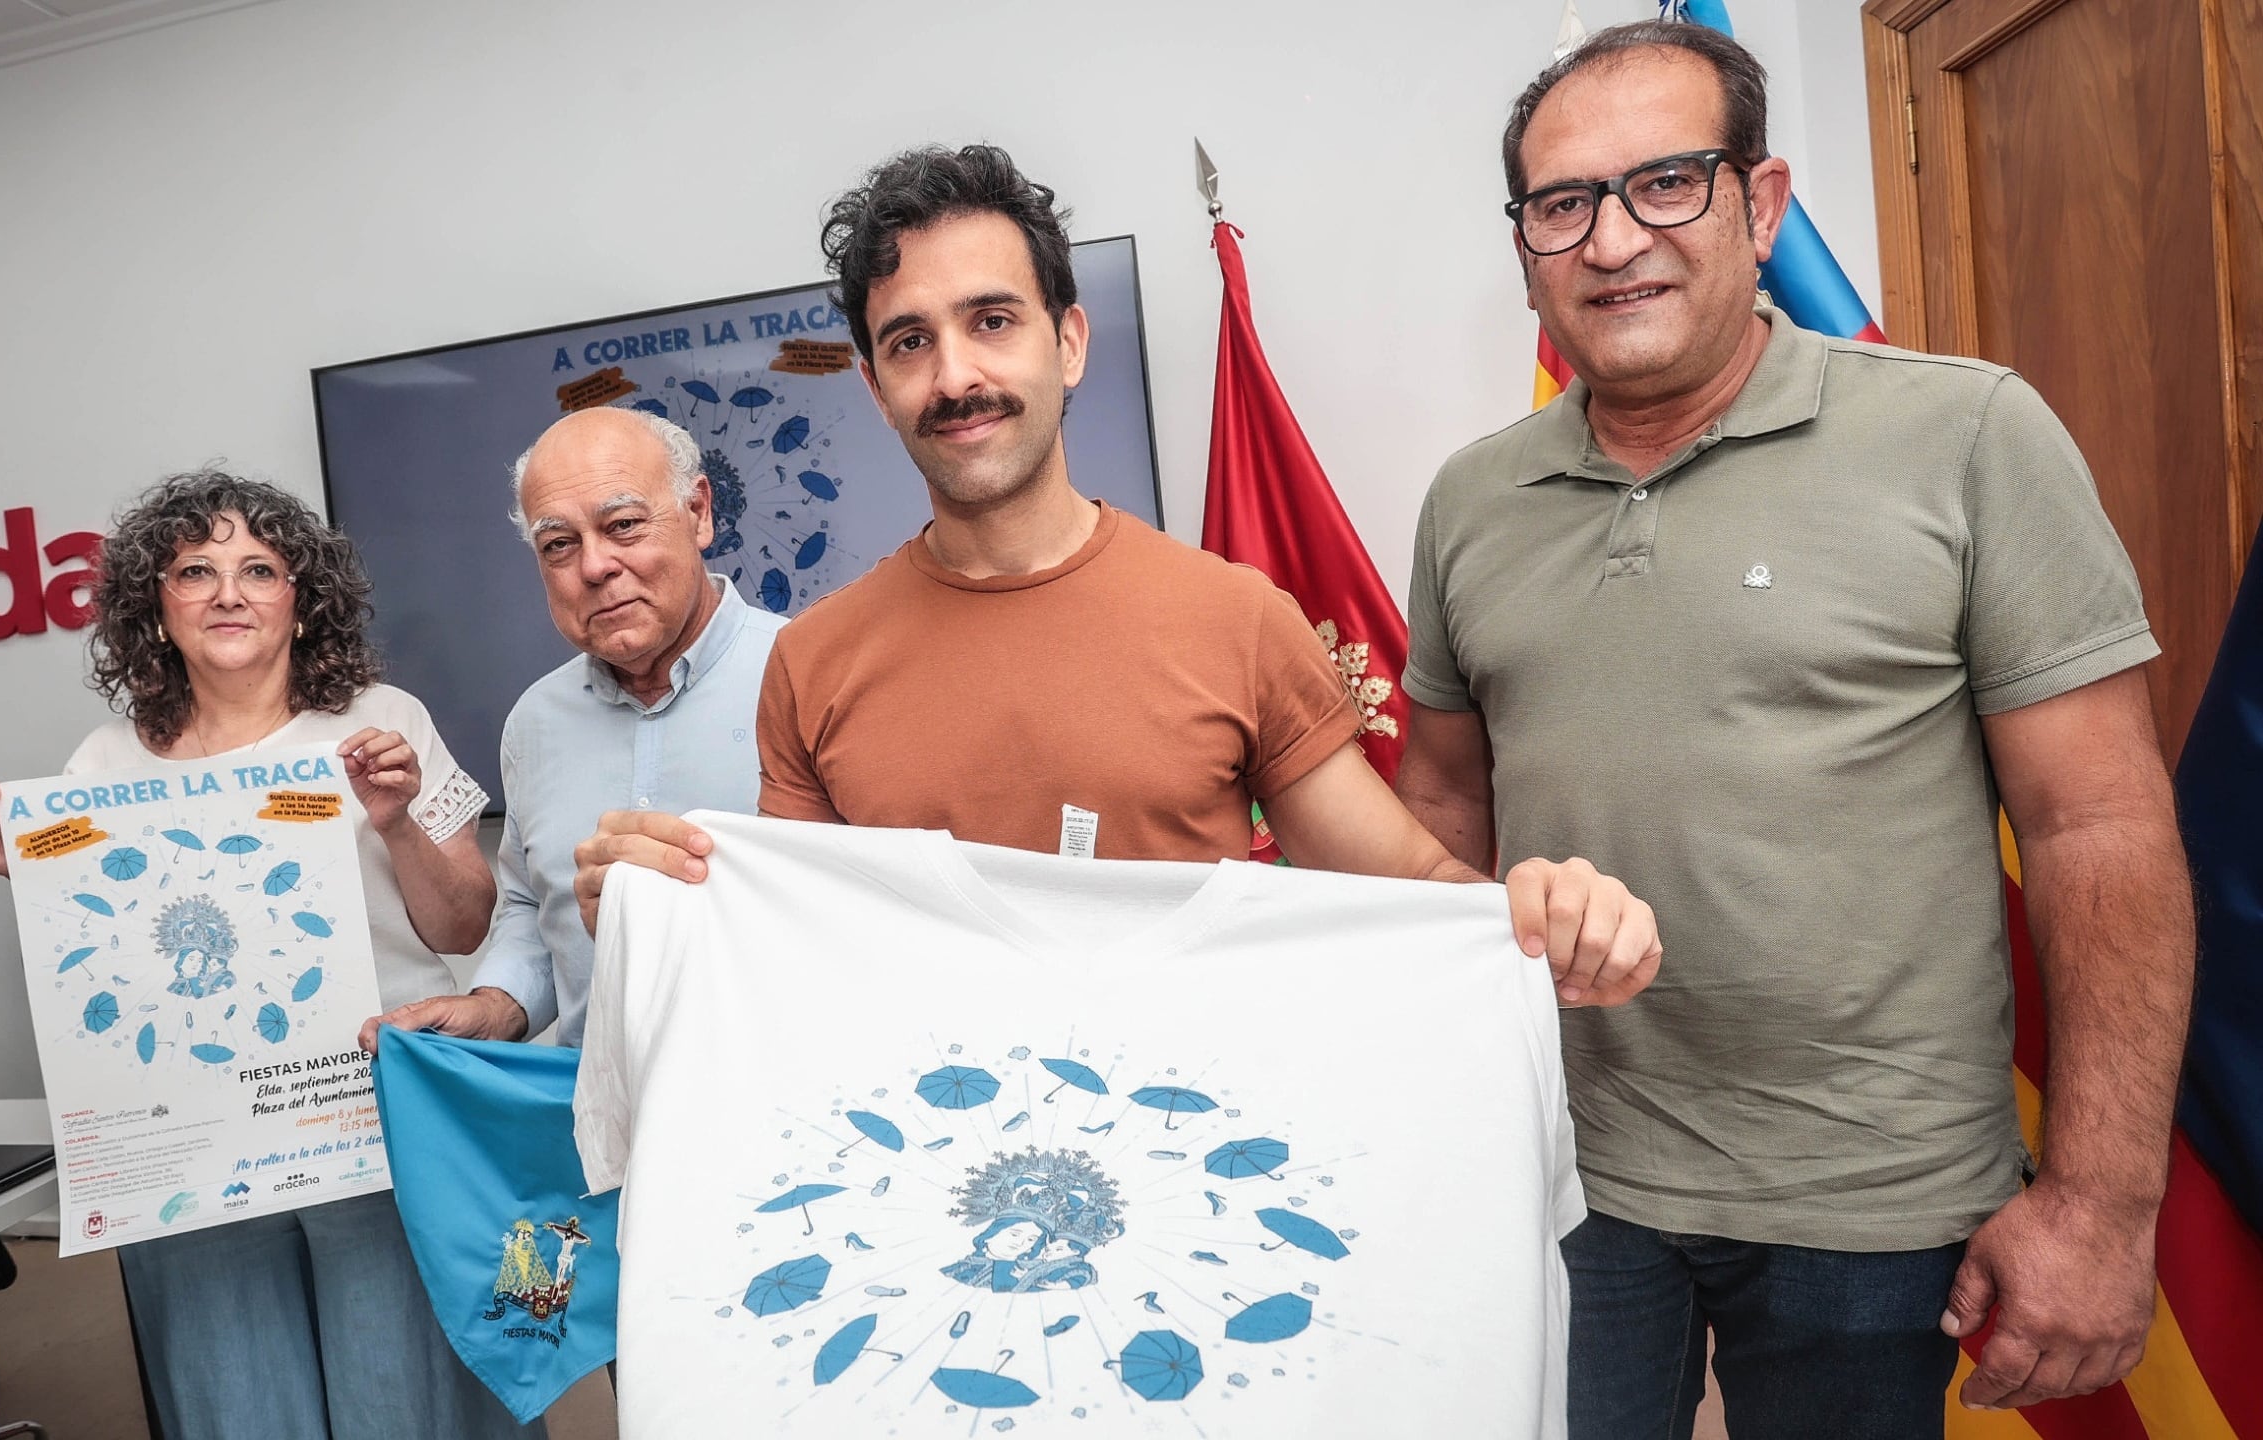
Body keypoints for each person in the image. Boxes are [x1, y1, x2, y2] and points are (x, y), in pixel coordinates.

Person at [1394, 21, 2196, 1437]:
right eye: (1562, 203)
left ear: (1759, 207)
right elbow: (1447, 809)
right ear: (1524, 243)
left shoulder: (1969, 438)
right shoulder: (1470, 501)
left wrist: (2099, 1199)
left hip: (1868, 1206)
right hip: (1564, 1180)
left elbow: (2101, 824)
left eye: (1667, 183)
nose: (1613, 238)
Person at [575, 144, 1664, 1001]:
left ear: (1070, 344)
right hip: (929, 1190)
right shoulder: (811, 663)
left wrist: (1540, 916)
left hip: (1195, 1174)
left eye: (991, 322)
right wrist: (650, 900)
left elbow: (1413, 895)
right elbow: (786, 953)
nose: (955, 375)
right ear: (873, 387)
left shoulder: (1233, 618)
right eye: (908, 343)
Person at [0, 471, 528, 1440]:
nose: (228, 592)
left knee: (403, 1401)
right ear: (154, 608)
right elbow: (109, 957)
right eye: (194, 571)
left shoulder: (380, 724)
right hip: (190, 1146)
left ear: (302, 598)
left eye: (258, 568)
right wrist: (19, 868)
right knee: (234, 1403)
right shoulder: (101, 765)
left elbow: (463, 928)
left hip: (364, 1120)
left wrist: (397, 823)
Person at [357, 407, 783, 1051]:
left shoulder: (810, 676)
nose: (594, 567)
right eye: (559, 544)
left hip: (792, 1108)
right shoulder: (535, 721)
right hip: (598, 1119)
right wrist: (494, 1007)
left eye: (624, 526)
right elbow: (534, 909)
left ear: (698, 512)